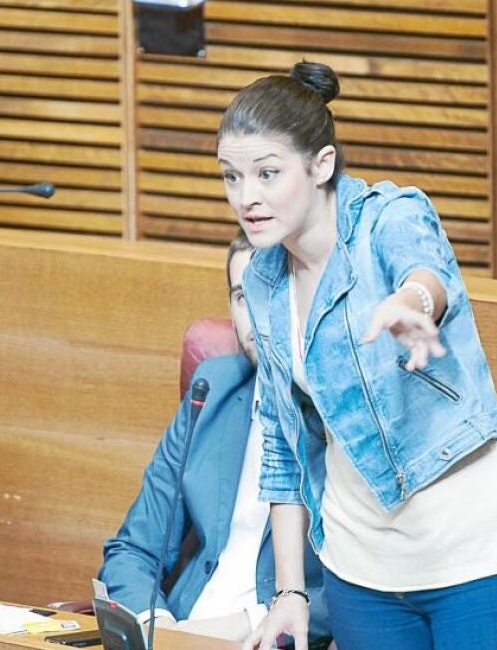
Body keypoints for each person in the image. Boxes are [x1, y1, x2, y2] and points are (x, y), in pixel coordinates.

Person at [219, 62, 497, 650]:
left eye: (268, 174)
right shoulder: (262, 281)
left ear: (321, 165)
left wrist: (412, 303)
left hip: (480, 561)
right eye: (232, 177)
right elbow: (283, 442)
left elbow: (425, 273)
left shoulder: (387, 217)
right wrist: (291, 592)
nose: (247, 198)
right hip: (361, 578)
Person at [99, 233, 331, 646]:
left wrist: (252, 622)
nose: (257, 313)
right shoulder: (212, 390)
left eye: (272, 290)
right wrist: (160, 627)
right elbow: (133, 550)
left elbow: (376, 593)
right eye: (243, 296)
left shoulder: (349, 415)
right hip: (183, 628)